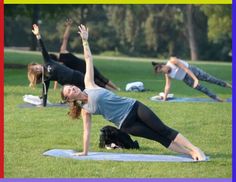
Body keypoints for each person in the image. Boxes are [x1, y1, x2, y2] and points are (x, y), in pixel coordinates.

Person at [61, 24, 206, 161]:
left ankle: (195, 149)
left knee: (163, 129)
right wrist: (85, 152)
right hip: (127, 125)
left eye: (71, 86)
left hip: (134, 107)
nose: (73, 88)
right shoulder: (85, 110)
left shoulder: (89, 84)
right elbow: (86, 131)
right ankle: (190, 153)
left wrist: (85, 41)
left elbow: (88, 59)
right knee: (159, 138)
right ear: (69, 99)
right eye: (69, 91)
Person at [50, 19, 120, 91]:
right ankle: (117, 89)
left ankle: (113, 90)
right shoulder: (63, 52)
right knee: (100, 77)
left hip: (81, 72)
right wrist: (68, 26)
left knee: (96, 82)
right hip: (84, 63)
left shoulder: (60, 64)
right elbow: (65, 38)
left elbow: (57, 78)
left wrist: (55, 88)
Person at [151, 58, 232, 102]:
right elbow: (167, 86)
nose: (163, 73)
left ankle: (231, 86)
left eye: (162, 71)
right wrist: (164, 98)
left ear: (162, 66)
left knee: (212, 79)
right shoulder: (167, 75)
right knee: (203, 90)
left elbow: (186, 69)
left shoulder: (173, 61)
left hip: (192, 71)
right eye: (161, 73)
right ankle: (218, 99)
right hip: (186, 80)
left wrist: (195, 79)